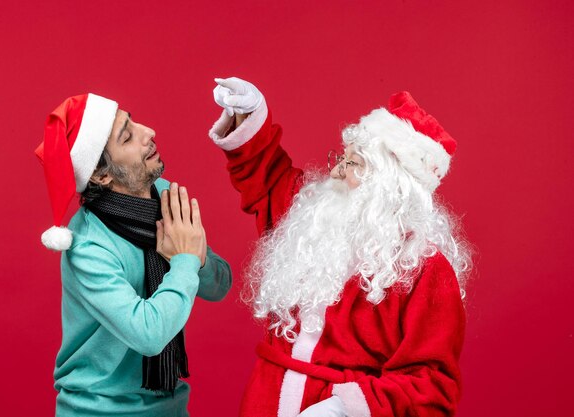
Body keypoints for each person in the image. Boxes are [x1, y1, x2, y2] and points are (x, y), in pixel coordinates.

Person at [209, 78, 472, 417]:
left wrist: (343, 410)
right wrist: (251, 114)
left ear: (391, 187)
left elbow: (430, 383)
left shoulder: (426, 270)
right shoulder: (313, 218)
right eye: (342, 158)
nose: (335, 171)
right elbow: (267, 176)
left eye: (353, 164)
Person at [35, 93, 232, 417]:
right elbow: (148, 334)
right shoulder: (88, 247)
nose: (149, 131)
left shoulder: (165, 196)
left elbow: (219, 285)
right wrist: (184, 258)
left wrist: (195, 256)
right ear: (101, 176)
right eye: (128, 136)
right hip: (97, 411)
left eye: (133, 120)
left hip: (171, 407)